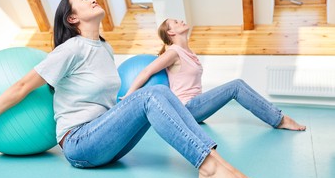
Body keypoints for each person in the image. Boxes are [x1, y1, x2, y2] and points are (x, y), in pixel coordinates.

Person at [0, 0, 259, 178]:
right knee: (151, 93)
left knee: (158, 93)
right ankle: (209, 167)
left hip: (104, 140)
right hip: (79, 143)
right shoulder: (70, 49)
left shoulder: (105, 48)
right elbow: (23, 85)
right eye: (82, 0)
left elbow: (105, 101)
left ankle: (215, 161)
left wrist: (123, 107)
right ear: (72, 19)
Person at [122, 18, 306, 131]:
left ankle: (278, 119)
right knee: (236, 86)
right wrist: (130, 95)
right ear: (170, 32)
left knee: (235, 86)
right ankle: (279, 119)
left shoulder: (189, 52)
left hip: (195, 109)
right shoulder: (173, 52)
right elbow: (147, 71)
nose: (181, 21)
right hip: (187, 109)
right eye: (176, 22)